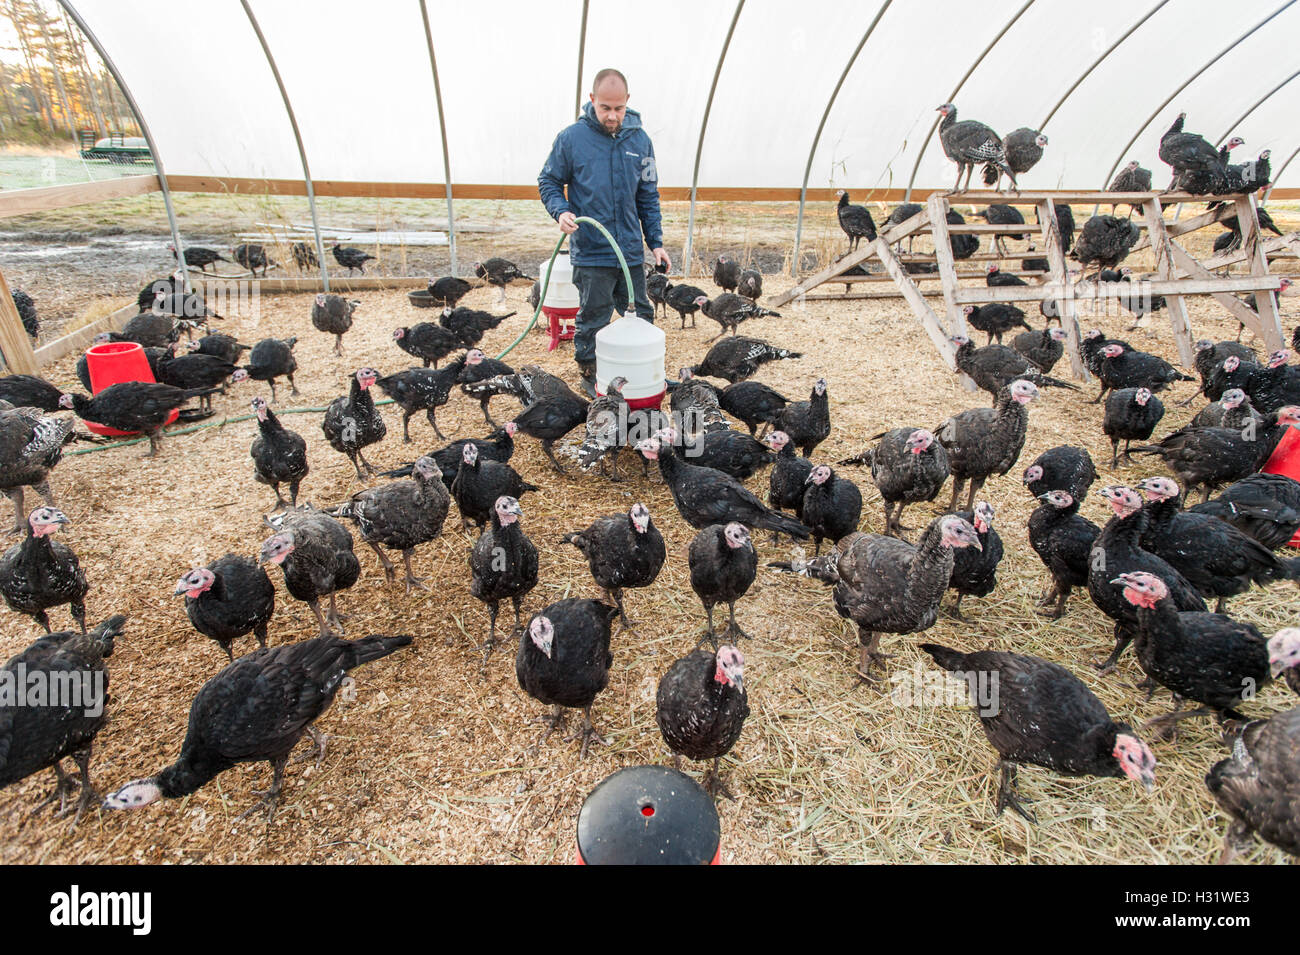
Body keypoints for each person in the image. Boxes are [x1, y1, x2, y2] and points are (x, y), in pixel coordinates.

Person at [538, 68, 670, 384]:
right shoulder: (571, 139)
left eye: (618, 108)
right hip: (591, 251)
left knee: (640, 315)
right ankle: (591, 374)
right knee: (593, 319)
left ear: (627, 102)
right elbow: (549, 180)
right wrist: (561, 211)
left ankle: (640, 373)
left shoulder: (641, 141)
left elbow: (648, 195)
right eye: (605, 108)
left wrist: (655, 241)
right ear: (592, 100)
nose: (612, 116)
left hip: (629, 252)